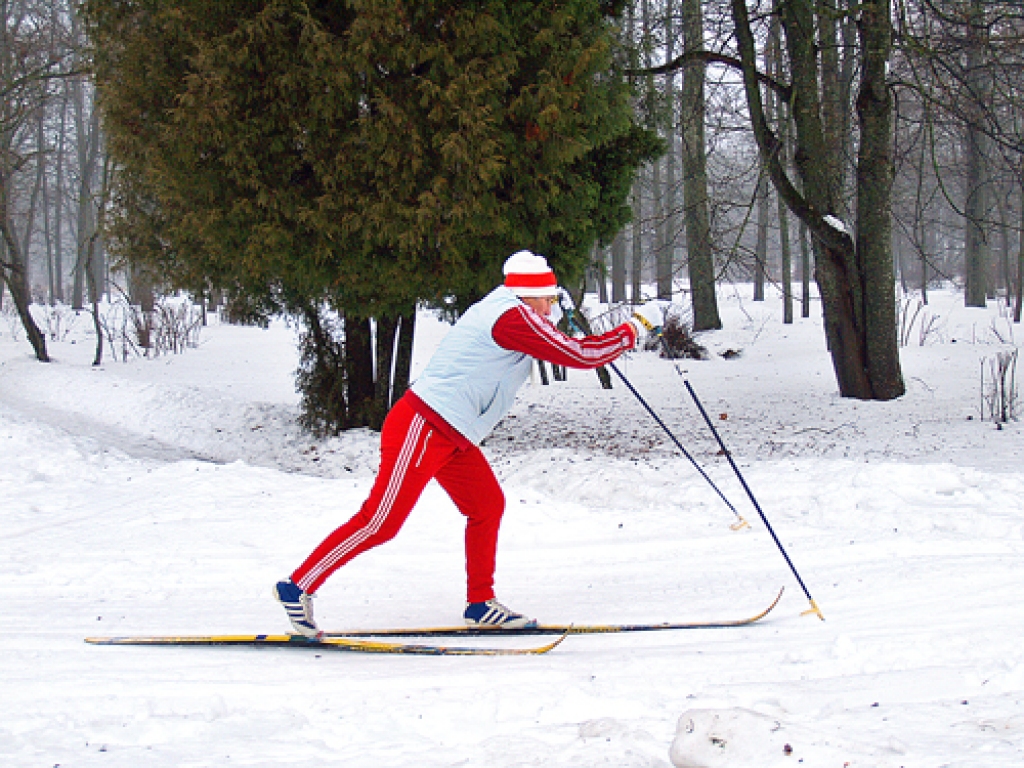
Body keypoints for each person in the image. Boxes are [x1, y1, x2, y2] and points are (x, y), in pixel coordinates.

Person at [275, 250, 665, 636]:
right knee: (381, 521)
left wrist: (567, 328)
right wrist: (634, 328)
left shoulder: (513, 310)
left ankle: (481, 604)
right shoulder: (512, 317)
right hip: (424, 425)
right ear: (529, 295)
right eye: (548, 298)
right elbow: (579, 355)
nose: (552, 305)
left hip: (453, 432)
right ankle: (297, 586)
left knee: (486, 505)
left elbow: (556, 345)